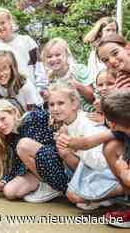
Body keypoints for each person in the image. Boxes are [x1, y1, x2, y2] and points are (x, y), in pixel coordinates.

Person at [57, 90, 130, 228]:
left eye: (106, 117)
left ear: (113, 123)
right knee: (110, 147)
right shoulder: (121, 130)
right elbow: (87, 143)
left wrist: (124, 172)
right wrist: (69, 142)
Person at [49, 82, 123, 210]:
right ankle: (101, 197)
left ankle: (120, 191)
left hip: (107, 169)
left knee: (74, 196)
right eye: (51, 104)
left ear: (74, 104)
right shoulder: (67, 125)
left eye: (60, 103)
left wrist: (74, 147)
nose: (55, 108)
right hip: (90, 167)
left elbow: (99, 162)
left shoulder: (87, 123)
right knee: (74, 196)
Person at [0, 99, 68, 202]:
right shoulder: (12, 136)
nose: (0, 125)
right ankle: (48, 185)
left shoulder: (33, 117)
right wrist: (4, 182)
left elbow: (56, 118)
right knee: (9, 191)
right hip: (42, 169)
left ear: (13, 112)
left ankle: (52, 186)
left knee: (23, 145)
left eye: (3, 119)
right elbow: (17, 165)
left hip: (59, 163)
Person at [0, 7, 47, 91]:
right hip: (11, 97)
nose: (0, 27)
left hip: (35, 93)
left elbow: (38, 65)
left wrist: (41, 87)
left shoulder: (27, 41)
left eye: (3, 23)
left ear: (10, 23)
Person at [41, 37, 95, 112]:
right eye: (49, 57)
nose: (53, 59)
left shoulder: (79, 70)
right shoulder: (50, 79)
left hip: (87, 113)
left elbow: (92, 98)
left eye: (58, 55)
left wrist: (78, 86)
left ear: (66, 55)